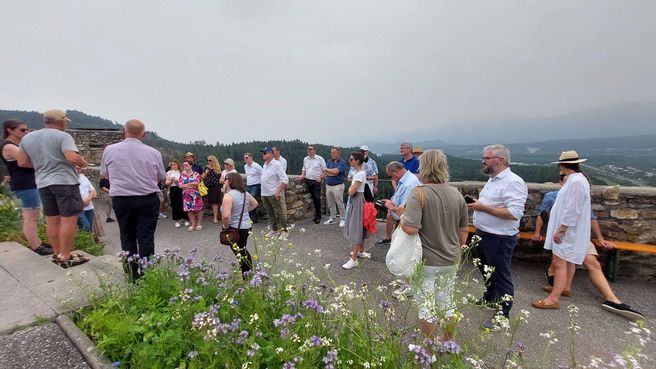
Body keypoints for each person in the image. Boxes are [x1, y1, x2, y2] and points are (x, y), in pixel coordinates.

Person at [532, 173, 644, 320]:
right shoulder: (552, 196)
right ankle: (563, 288)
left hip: (579, 237)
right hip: (563, 236)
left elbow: (591, 218)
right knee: (560, 262)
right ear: (560, 182)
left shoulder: (580, 195)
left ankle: (613, 300)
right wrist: (537, 232)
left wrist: (600, 238)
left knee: (591, 263)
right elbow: (542, 215)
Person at [399, 149, 469, 343]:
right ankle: (447, 341)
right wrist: (456, 249)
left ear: (424, 168)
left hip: (427, 261)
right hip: (451, 259)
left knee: (426, 308)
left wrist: (402, 217)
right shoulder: (456, 195)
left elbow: (411, 229)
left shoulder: (419, 193)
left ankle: (427, 353)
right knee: (447, 303)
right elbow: (464, 230)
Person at [18, 110, 88, 267]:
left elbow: (22, 162)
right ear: (62, 122)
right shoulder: (63, 136)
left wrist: (42, 165)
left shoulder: (28, 137)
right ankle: (66, 255)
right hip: (64, 181)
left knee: (53, 219)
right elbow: (71, 157)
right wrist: (82, 162)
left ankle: (57, 253)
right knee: (69, 219)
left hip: (43, 182)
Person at [468, 144, 527, 330]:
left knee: (501, 276)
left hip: (499, 239)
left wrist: (483, 207)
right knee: (486, 271)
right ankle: (491, 298)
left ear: (500, 160)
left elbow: (515, 213)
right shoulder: (493, 180)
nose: (483, 161)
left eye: (486, 158)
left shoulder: (513, 182)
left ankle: (503, 315)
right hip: (483, 235)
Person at [100, 119, 166, 279]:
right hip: (147, 198)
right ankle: (147, 273)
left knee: (127, 235)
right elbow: (162, 177)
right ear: (144, 134)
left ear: (124, 131)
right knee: (146, 236)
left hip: (122, 199)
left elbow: (105, 174)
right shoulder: (153, 152)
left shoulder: (109, 150)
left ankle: (131, 273)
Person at [531, 151, 592, 310]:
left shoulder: (577, 181)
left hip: (568, 231)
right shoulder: (576, 180)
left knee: (559, 262)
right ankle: (564, 287)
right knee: (567, 260)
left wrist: (561, 229)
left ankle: (553, 299)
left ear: (562, 165)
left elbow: (573, 208)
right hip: (568, 230)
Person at [1, 119, 52, 255]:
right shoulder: (9, 146)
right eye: (22, 130)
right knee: (31, 216)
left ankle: (37, 242)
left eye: (26, 129)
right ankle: (36, 246)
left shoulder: (12, 145)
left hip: (27, 182)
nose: (26, 132)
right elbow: (25, 161)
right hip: (25, 183)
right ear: (10, 130)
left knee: (33, 215)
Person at [221, 173, 259, 277]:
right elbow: (255, 203)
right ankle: (248, 271)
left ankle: (247, 274)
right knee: (242, 248)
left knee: (239, 251)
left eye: (226, 179)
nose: (224, 181)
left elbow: (226, 216)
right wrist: (243, 213)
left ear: (230, 181)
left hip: (234, 227)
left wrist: (225, 226)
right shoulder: (245, 193)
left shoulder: (228, 196)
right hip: (246, 226)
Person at [376, 162, 420, 248]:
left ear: (395, 172)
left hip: (405, 220)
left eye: (390, 176)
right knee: (389, 216)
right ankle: (389, 238)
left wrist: (392, 207)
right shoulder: (405, 180)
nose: (391, 179)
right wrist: (391, 201)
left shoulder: (410, 184)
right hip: (399, 217)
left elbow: (407, 209)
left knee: (401, 249)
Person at [342, 151, 369, 270]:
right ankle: (360, 251)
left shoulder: (359, 174)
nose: (350, 161)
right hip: (358, 201)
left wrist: (349, 190)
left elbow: (351, 192)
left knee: (355, 228)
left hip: (357, 201)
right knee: (359, 226)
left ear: (357, 161)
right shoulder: (359, 173)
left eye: (351, 159)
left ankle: (354, 259)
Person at [260, 146, 289, 237]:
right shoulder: (265, 164)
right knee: (270, 213)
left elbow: (285, 179)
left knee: (279, 212)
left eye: (265, 153)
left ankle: (284, 231)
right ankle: (274, 230)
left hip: (273, 193)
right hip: (264, 193)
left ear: (271, 154)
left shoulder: (276, 164)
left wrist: (278, 192)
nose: (263, 155)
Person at [299, 144, 327, 224]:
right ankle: (316, 215)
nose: (309, 150)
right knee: (314, 199)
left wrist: (321, 178)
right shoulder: (305, 159)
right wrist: (302, 175)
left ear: (315, 150)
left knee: (317, 198)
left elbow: (324, 170)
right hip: (308, 181)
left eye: (310, 149)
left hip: (316, 182)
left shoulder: (319, 159)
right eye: (308, 149)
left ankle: (318, 217)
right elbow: (304, 168)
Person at [323, 147, 346, 227]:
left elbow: (336, 172)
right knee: (330, 203)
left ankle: (343, 219)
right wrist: (332, 172)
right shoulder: (329, 161)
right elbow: (325, 173)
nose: (332, 154)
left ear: (338, 153)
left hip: (338, 186)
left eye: (334, 153)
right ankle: (333, 218)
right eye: (331, 153)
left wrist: (328, 170)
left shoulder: (342, 162)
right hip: (328, 185)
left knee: (340, 203)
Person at [179, 160, 204, 231]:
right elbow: (180, 186)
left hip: (196, 194)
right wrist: (190, 184)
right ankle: (193, 224)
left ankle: (199, 224)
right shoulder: (182, 175)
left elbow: (197, 183)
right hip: (186, 195)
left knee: (199, 209)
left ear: (191, 166)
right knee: (189, 209)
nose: (185, 166)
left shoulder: (196, 174)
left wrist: (185, 185)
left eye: (186, 165)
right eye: (184, 165)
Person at [165, 160, 189, 228]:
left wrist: (178, 181)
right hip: (173, 189)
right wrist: (171, 181)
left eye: (175, 164)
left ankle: (186, 219)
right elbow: (166, 183)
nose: (173, 166)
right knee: (174, 204)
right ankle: (177, 220)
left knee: (183, 204)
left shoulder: (182, 172)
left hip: (181, 189)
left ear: (178, 165)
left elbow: (185, 181)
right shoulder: (169, 172)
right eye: (172, 165)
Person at [202, 155, 222, 224]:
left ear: (214, 160)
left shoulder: (219, 168)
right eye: (208, 160)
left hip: (216, 187)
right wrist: (206, 173)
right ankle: (217, 214)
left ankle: (215, 217)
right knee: (211, 202)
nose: (209, 162)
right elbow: (203, 177)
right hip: (208, 187)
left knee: (215, 202)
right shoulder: (206, 168)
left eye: (210, 160)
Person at [76, 166, 96, 232]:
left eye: (79, 167)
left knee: (89, 229)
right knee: (86, 226)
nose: (77, 169)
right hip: (78, 208)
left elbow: (93, 191)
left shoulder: (83, 177)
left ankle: (86, 241)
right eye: (75, 167)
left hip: (89, 208)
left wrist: (88, 199)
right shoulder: (67, 179)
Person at [243, 152, 262, 223]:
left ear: (251, 158)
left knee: (252, 200)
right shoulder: (245, 166)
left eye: (247, 158)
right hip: (248, 185)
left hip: (256, 185)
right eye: (244, 158)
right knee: (247, 201)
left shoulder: (256, 166)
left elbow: (262, 174)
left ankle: (253, 218)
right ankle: (249, 217)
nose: (245, 159)